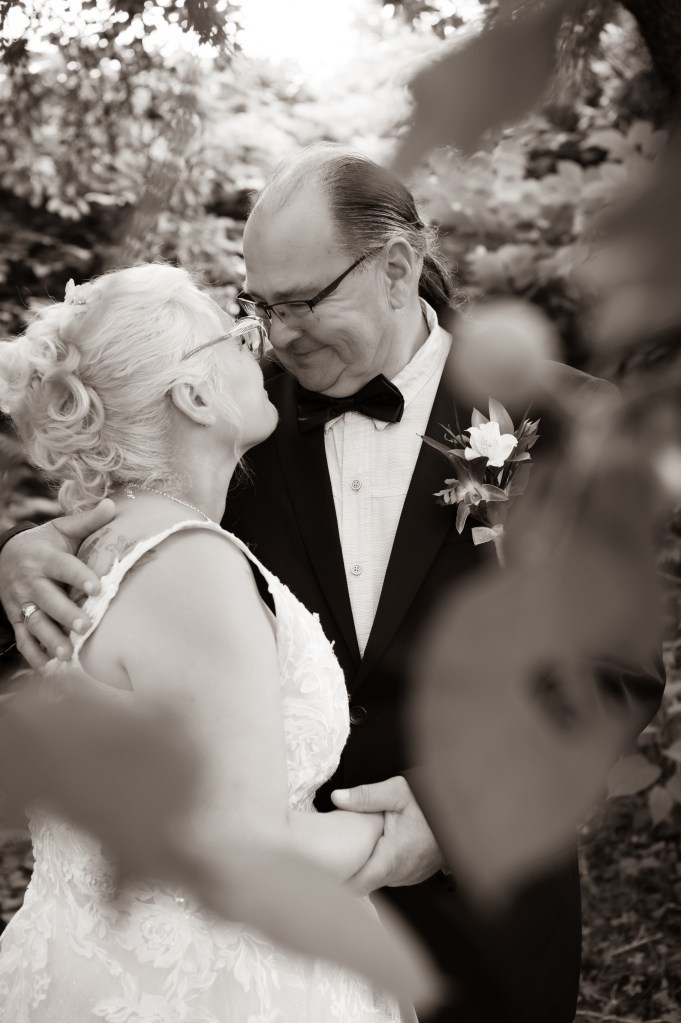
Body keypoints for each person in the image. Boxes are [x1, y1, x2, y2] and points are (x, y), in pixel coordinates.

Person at [0, 145, 664, 1022]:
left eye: (303, 303)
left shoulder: (570, 423)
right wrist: (17, 556)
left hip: (480, 921)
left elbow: (612, 672)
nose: (277, 334)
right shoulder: (231, 415)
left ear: (396, 269)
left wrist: (449, 807)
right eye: (260, 305)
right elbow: (126, 568)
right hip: (250, 954)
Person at [0, 263, 405, 1022]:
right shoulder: (190, 566)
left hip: (90, 966)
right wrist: (399, 834)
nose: (261, 352)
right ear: (193, 395)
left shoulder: (97, 551)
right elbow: (242, 854)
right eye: (239, 337)